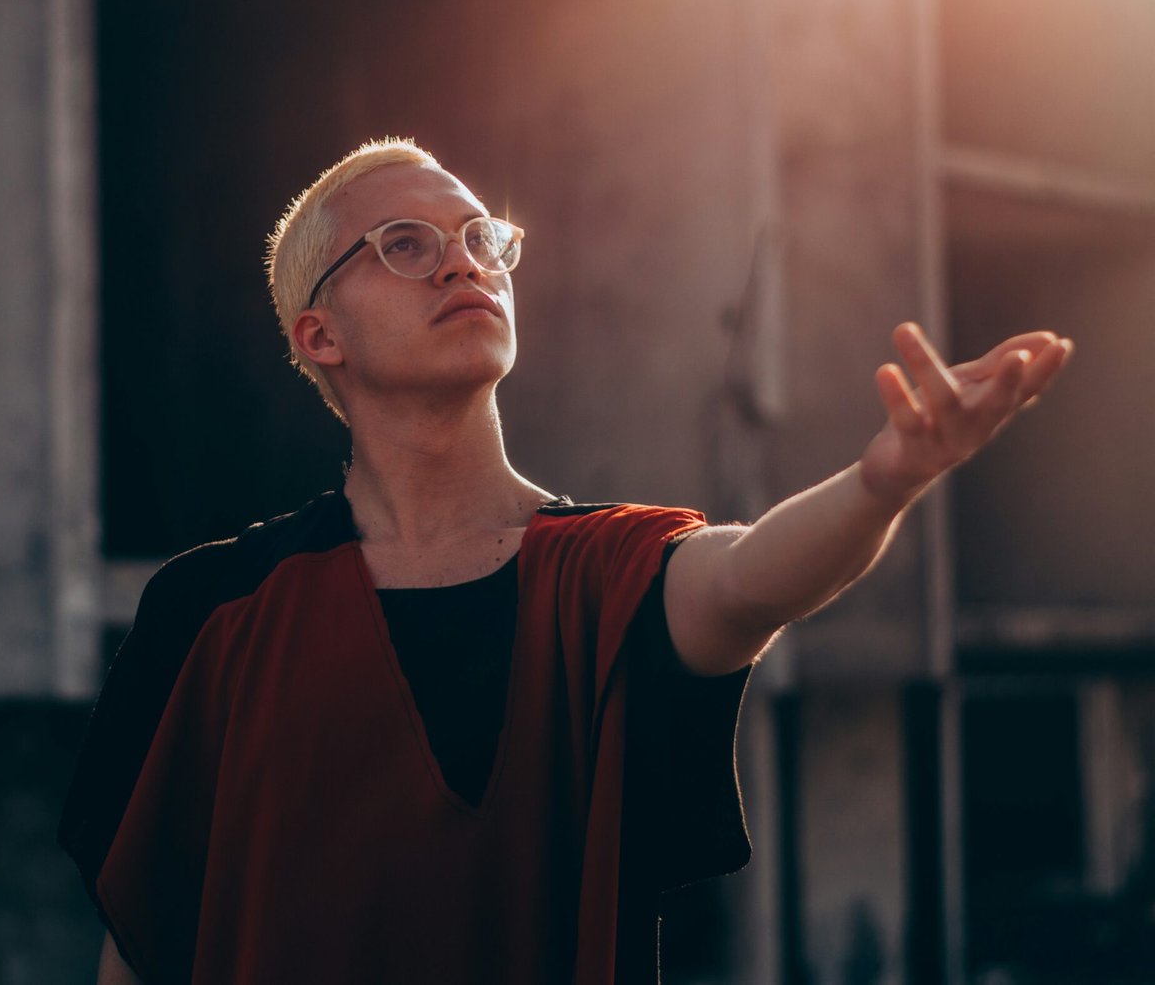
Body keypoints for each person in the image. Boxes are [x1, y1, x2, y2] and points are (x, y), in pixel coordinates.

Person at [59, 138, 1072, 984]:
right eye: (405, 245)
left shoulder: (605, 572)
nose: (463, 263)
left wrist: (880, 481)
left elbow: (751, 575)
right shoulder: (213, 606)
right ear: (319, 333)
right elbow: (142, 939)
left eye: (478, 238)